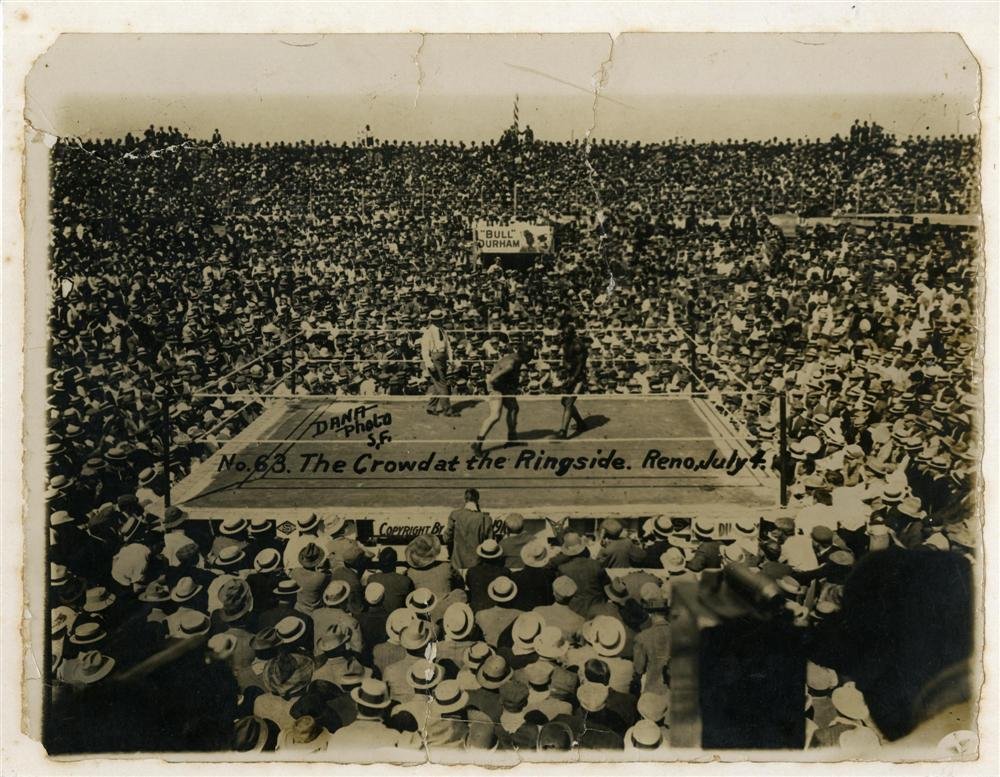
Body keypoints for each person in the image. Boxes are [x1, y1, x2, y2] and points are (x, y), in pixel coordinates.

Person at [472, 341, 534, 455]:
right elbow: (492, 379)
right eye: (530, 356)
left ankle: (512, 438)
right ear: (525, 356)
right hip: (496, 387)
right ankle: (477, 443)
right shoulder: (511, 364)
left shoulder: (516, 358)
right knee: (495, 415)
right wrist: (505, 388)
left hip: (503, 386)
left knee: (514, 408)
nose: (531, 359)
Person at [442, 488, 493, 573]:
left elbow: (446, 538)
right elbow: (490, 543)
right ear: (477, 500)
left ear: (465, 499)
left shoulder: (455, 515)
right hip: (476, 566)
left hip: (457, 564)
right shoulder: (485, 518)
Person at [420, 309, 458, 417]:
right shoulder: (428, 332)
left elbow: (448, 346)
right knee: (442, 384)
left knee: (438, 384)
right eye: (437, 320)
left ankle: (431, 407)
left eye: (440, 319)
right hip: (434, 358)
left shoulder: (443, 330)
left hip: (443, 357)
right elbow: (424, 350)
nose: (439, 321)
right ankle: (448, 410)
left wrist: (450, 359)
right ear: (432, 321)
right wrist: (429, 364)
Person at [557, 318, 589, 439]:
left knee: (569, 402)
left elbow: (581, 365)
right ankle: (581, 423)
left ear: (571, 334)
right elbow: (565, 358)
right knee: (564, 402)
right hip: (570, 374)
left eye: (566, 334)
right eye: (563, 333)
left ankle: (563, 431)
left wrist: (573, 378)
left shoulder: (578, 346)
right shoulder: (565, 343)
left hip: (579, 377)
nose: (563, 336)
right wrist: (564, 367)